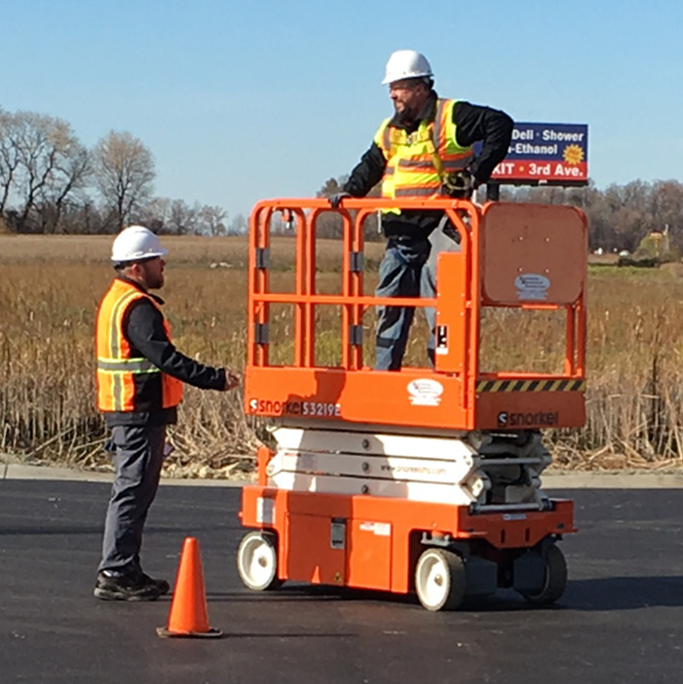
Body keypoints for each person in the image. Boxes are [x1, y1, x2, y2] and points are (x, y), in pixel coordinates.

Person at [329, 49, 513, 370]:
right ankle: (384, 377)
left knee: (443, 304)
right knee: (390, 304)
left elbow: (500, 124)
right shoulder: (390, 128)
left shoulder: (451, 116)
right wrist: (351, 190)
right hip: (402, 234)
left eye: (398, 86)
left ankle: (445, 375)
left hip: (442, 227)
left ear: (420, 87)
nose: (392, 94)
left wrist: (473, 175)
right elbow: (372, 163)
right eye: (391, 87)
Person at [94, 225, 239, 601]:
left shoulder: (118, 298)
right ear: (138, 267)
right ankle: (115, 571)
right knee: (132, 490)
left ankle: (125, 567)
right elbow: (165, 358)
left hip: (130, 410)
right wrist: (215, 379)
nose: (163, 267)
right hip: (137, 412)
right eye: (158, 260)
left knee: (134, 490)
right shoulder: (137, 308)